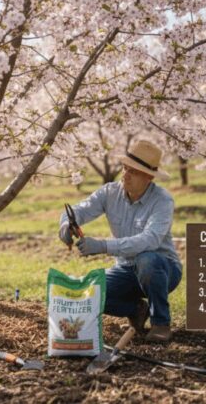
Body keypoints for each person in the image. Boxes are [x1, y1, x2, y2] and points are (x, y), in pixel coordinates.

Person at [59, 140, 182, 342]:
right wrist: (66, 224)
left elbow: (150, 240)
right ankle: (136, 310)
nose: (126, 175)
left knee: (147, 259)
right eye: (125, 168)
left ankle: (161, 323)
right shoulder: (110, 192)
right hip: (126, 268)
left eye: (134, 171)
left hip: (163, 268)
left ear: (149, 177)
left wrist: (103, 246)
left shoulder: (162, 200)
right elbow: (79, 210)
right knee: (90, 292)